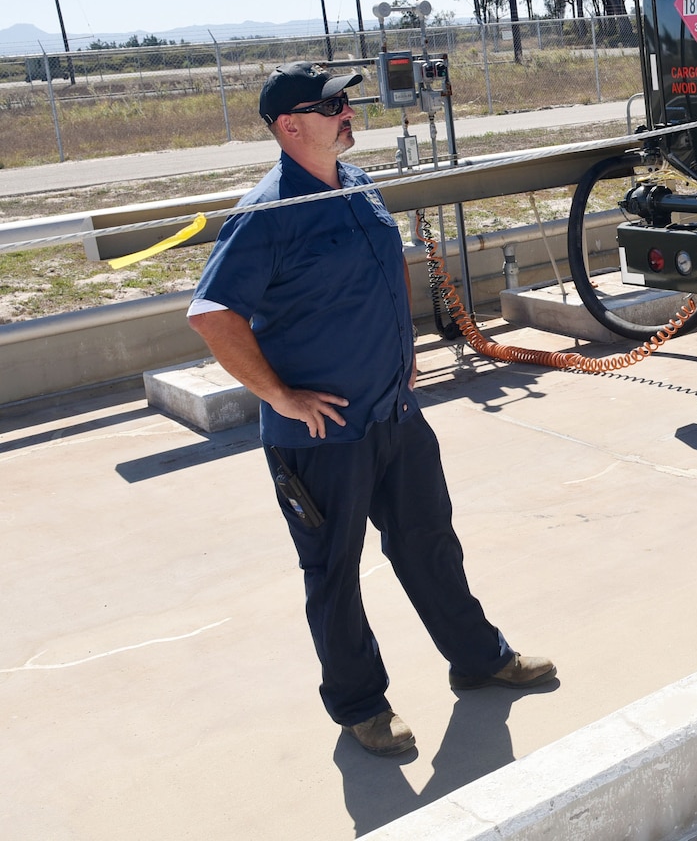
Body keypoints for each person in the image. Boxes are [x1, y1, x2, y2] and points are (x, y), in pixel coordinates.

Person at [188, 61, 555, 755]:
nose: (347, 112)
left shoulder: (358, 185)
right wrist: (279, 397)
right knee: (335, 571)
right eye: (330, 107)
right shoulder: (270, 211)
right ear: (289, 127)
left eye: (345, 103)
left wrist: (405, 348)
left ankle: (479, 658)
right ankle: (360, 704)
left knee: (430, 543)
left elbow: (379, 274)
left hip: (393, 414)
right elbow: (211, 314)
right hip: (322, 436)